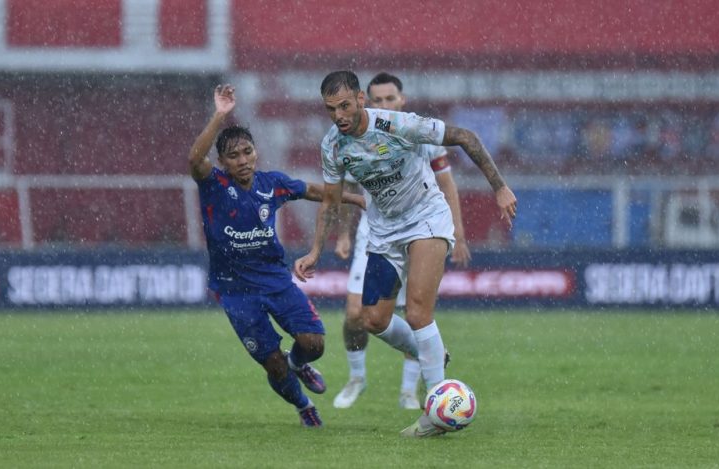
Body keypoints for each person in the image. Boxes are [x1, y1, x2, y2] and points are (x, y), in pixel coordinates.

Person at [293, 71, 517, 437]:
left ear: (361, 99)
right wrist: (316, 249)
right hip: (383, 230)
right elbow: (331, 201)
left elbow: (465, 137)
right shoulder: (333, 146)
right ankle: (429, 351)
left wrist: (500, 187)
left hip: (427, 218)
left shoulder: (400, 125)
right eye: (331, 109)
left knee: (416, 312)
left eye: (345, 106)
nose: (339, 116)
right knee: (372, 320)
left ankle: (437, 409)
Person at [189, 83, 365, 427]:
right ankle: (302, 405)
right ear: (223, 162)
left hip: (274, 279)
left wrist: (356, 199)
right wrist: (220, 115)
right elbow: (195, 159)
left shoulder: (271, 183)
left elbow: (312, 190)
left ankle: (300, 363)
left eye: (248, 152)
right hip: (235, 291)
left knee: (314, 343)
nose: (243, 160)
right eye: (235, 156)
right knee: (272, 363)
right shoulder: (214, 187)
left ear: (256, 153)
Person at [331, 72, 471, 410]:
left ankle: (413, 391)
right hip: (375, 229)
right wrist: (345, 233)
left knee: (416, 312)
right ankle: (357, 377)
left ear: (401, 100)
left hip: (418, 225)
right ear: (367, 100)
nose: (383, 105)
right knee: (357, 315)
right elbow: (348, 190)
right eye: (377, 100)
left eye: (389, 99)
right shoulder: (352, 136)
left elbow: (446, 183)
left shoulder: (415, 130)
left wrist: (459, 233)